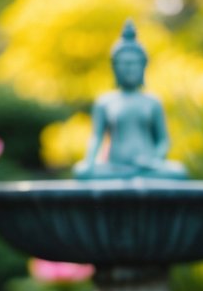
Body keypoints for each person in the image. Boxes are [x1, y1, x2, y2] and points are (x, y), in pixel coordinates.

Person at [74, 21, 187, 179]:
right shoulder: (105, 101)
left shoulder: (152, 102)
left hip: (146, 166)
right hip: (114, 167)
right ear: (114, 68)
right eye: (124, 64)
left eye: (134, 64)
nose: (129, 69)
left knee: (179, 171)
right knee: (81, 171)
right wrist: (90, 160)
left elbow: (163, 140)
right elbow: (96, 137)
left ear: (143, 67)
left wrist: (154, 159)